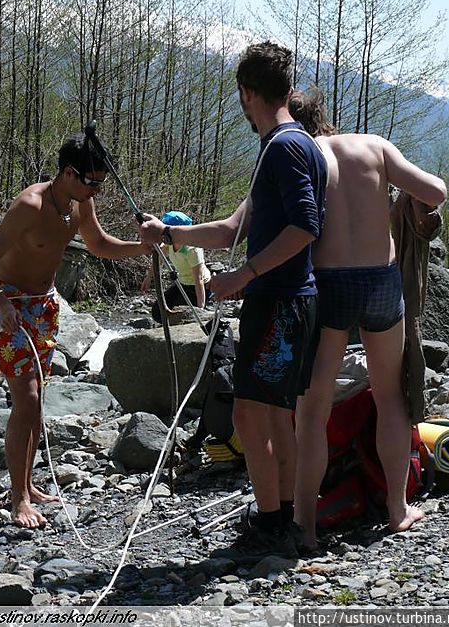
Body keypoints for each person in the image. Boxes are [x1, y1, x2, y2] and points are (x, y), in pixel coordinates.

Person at [140, 41, 327, 558]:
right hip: (288, 301)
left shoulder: (285, 148)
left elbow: (305, 226)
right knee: (270, 416)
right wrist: (170, 235)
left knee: (249, 415)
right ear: (285, 89)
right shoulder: (290, 144)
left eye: (240, 96)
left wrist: (245, 274)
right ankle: (281, 518)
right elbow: (229, 230)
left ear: (248, 93)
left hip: (281, 302)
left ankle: (270, 523)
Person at [289, 87, 447, 552]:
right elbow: (435, 190)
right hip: (381, 279)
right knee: (390, 398)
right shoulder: (374, 144)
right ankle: (398, 511)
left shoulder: (299, 152)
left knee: (313, 408)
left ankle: (306, 525)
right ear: (326, 117)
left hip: (330, 281)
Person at [0, 132, 150, 528]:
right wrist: (1, 306)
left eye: (102, 182)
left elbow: (100, 245)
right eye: (93, 182)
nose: (97, 191)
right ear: (69, 173)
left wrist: (143, 247)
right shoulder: (30, 205)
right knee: (28, 395)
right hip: (10, 305)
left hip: (45, 306)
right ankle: (18, 500)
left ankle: (28, 484)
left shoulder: (78, 204)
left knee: (37, 397)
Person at [140, 211, 212, 323]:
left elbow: (199, 280)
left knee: (185, 315)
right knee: (158, 312)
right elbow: (158, 259)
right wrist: (148, 278)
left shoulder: (192, 248)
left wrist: (200, 309)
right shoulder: (169, 243)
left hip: (199, 287)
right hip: (183, 283)